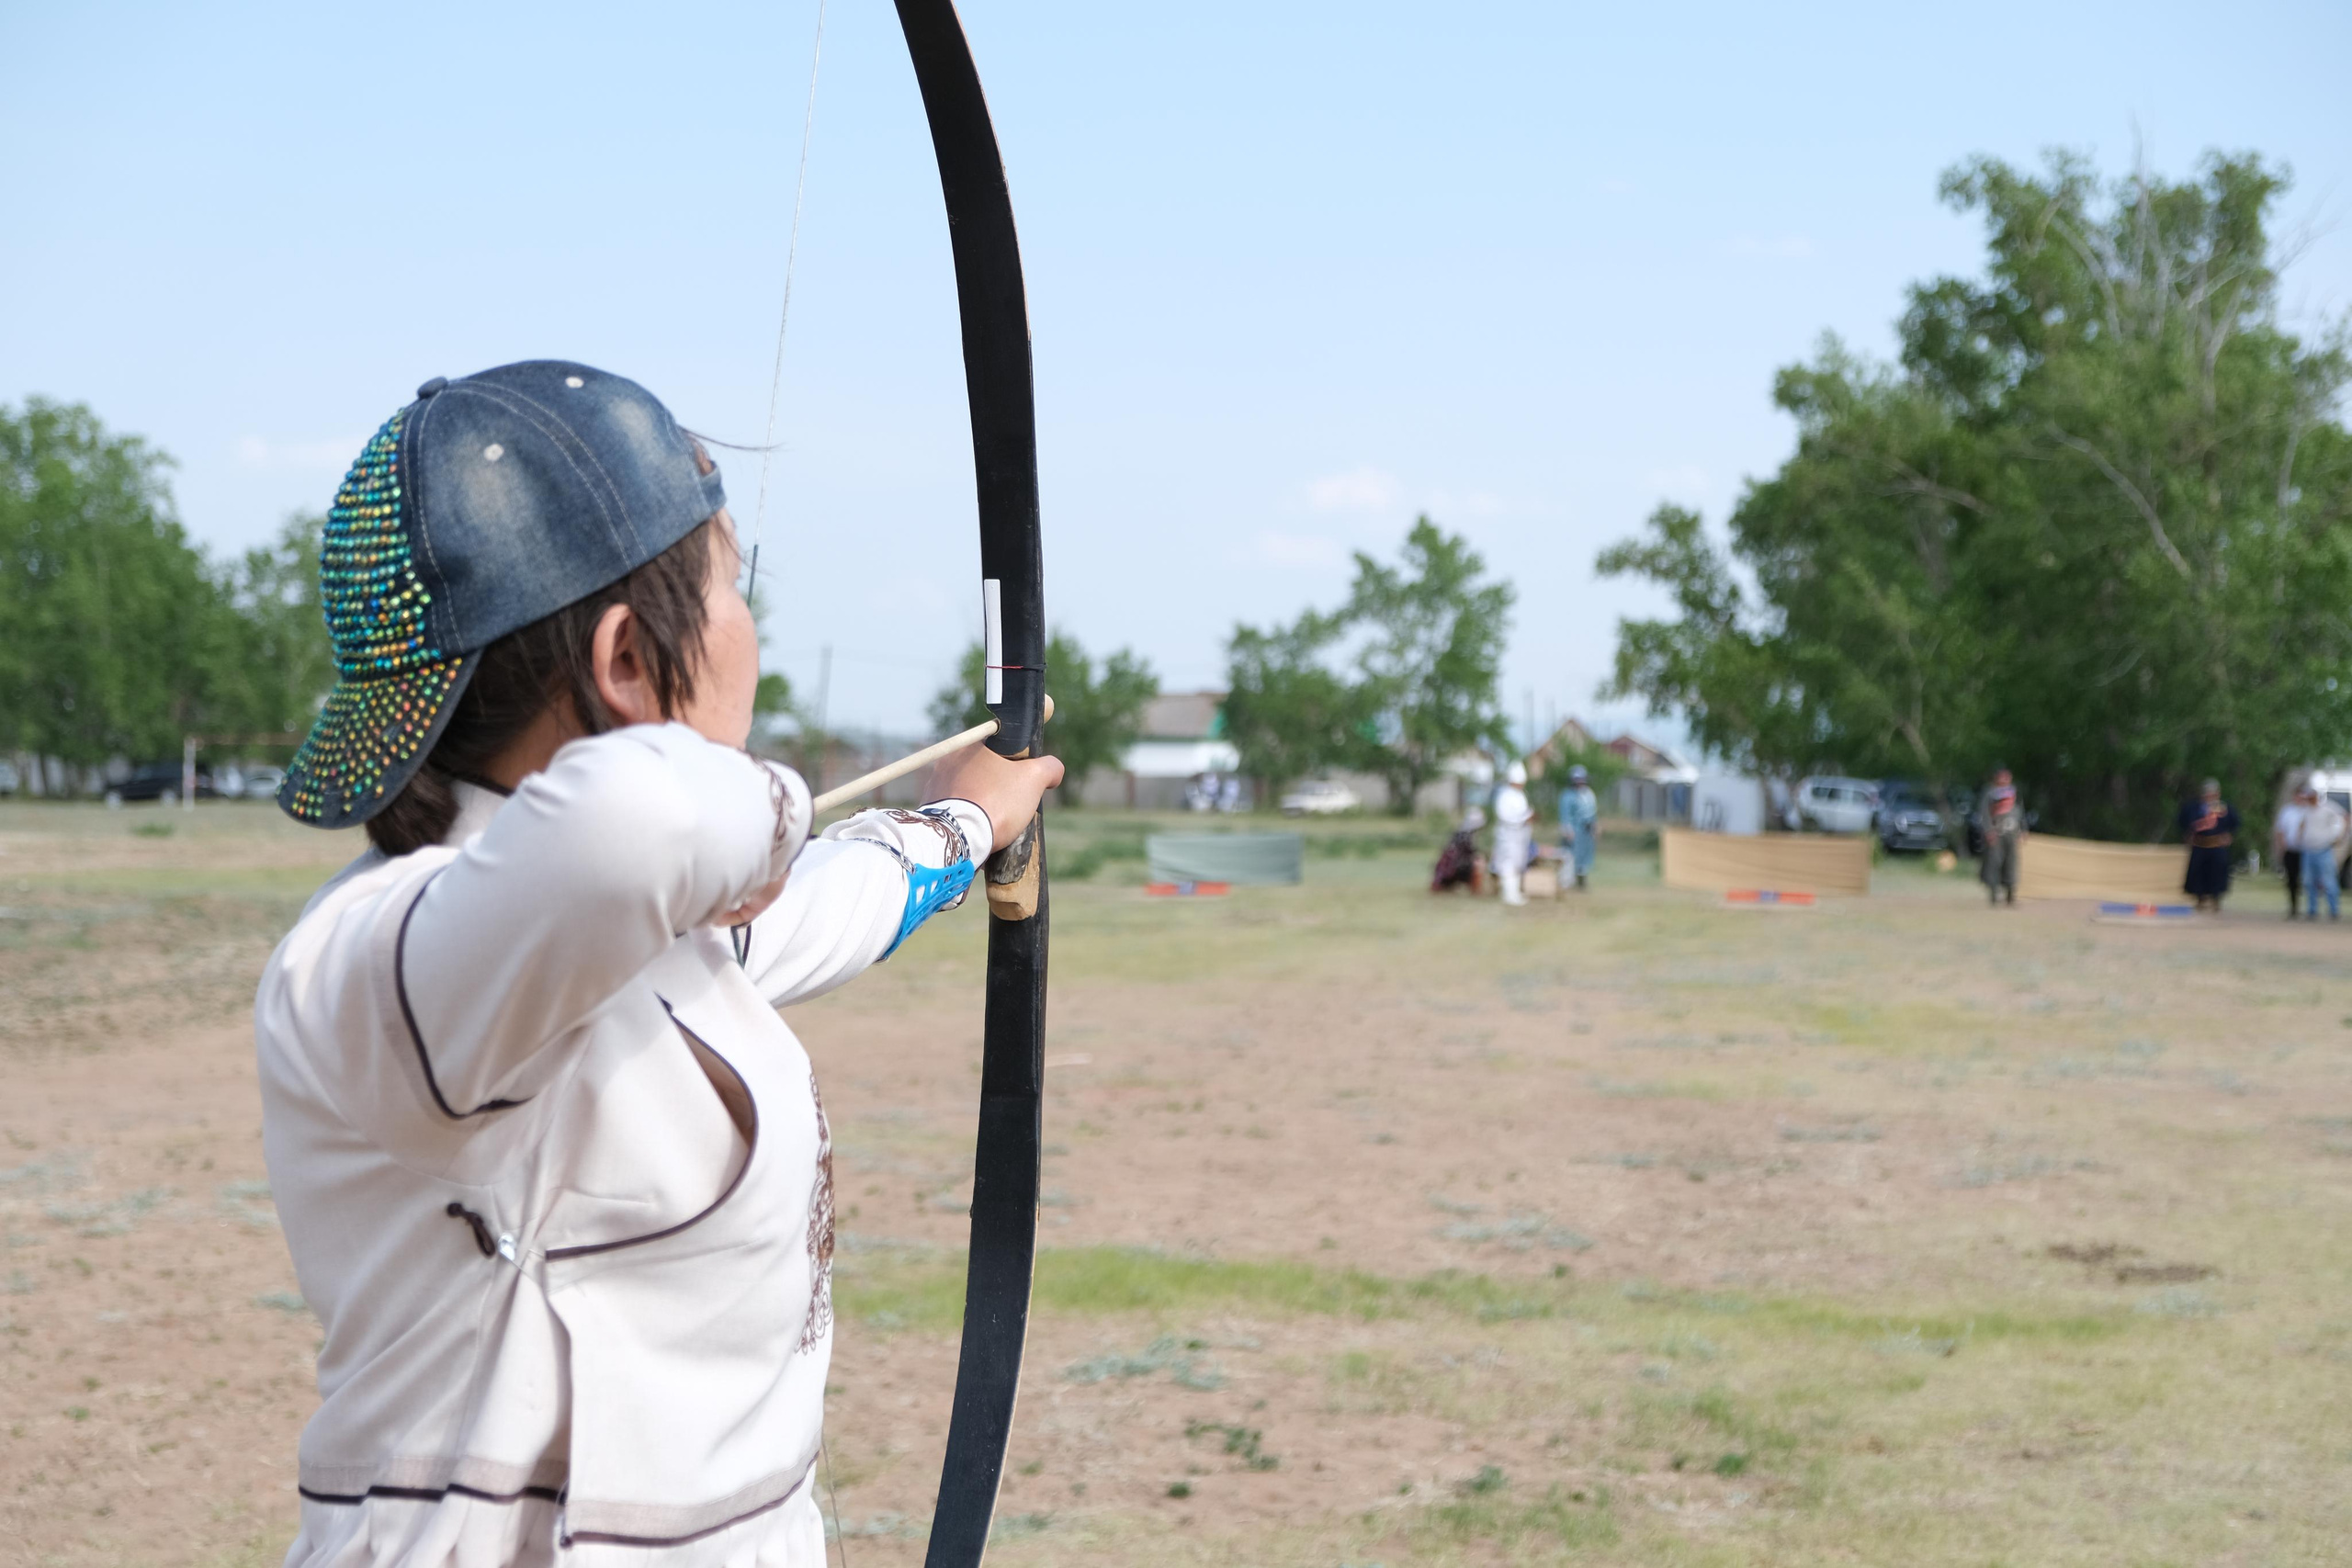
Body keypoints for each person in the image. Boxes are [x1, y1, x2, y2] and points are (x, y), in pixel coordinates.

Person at [254, 363, 1064, 1567]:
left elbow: (827, 903)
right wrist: (770, 814)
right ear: (629, 657)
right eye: (734, 583)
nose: (749, 625)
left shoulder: (619, 935)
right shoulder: (380, 962)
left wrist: (960, 827)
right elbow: (649, 822)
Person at [2178, 776, 2240, 912]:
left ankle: (2216, 899)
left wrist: (2229, 836)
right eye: (2207, 792)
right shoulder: (2194, 808)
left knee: (2217, 872)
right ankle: (2200, 898)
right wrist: (2187, 835)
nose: (2209, 795)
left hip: (2217, 845)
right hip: (2199, 844)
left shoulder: (2224, 808)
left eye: (2212, 793)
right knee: (2198, 872)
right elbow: (2184, 822)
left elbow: (2235, 823)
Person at [2295, 783, 2346, 920]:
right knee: (2309, 881)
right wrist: (2300, 835)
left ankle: (2334, 911)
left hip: (2323, 850)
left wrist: (2339, 836)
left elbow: (2344, 817)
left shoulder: (2327, 808)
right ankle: (2312, 911)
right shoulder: (2306, 810)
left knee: (2329, 881)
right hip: (2308, 850)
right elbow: (2302, 824)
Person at [1979, 767, 2024, 906]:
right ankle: (1993, 893)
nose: (2004, 779)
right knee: (1994, 862)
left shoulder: (2014, 792)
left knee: (2011, 863)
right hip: (1996, 833)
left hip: (2011, 833)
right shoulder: (1990, 793)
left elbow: (2020, 811)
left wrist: (2023, 829)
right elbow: (1984, 813)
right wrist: (1988, 831)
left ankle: (2010, 894)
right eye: (2002, 777)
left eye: (2007, 777)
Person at [1492, 761, 1534, 907]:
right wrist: (1522, 819)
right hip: (1508, 835)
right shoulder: (1505, 796)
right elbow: (1505, 816)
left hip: (1520, 835)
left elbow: (1524, 812)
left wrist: (1528, 817)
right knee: (1508, 864)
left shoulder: (1521, 795)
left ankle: (1515, 892)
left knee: (1518, 863)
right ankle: (1509, 894)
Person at [1558, 763, 1600, 890]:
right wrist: (1567, 830)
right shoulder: (1567, 796)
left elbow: (1592, 812)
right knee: (1571, 856)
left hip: (1587, 831)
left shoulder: (1588, 794)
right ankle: (1568, 882)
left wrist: (1596, 826)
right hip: (1574, 831)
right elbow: (1565, 815)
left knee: (1586, 856)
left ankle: (1582, 882)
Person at [2274, 784, 2311, 919]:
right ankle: (2294, 907)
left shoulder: (2309, 811)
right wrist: (2281, 847)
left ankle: (2311, 908)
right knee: (2292, 879)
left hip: (2307, 850)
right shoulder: (2287, 811)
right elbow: (2280, 830)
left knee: (2307, 880)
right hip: (2291, 849)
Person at [1431, 806, 1487, 893]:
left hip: (1449, 868)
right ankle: (1476, 890)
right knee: (1479, 863)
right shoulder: (1466, 835)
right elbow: (1470, 853)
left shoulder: (1459, 833)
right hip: (1457, 867)